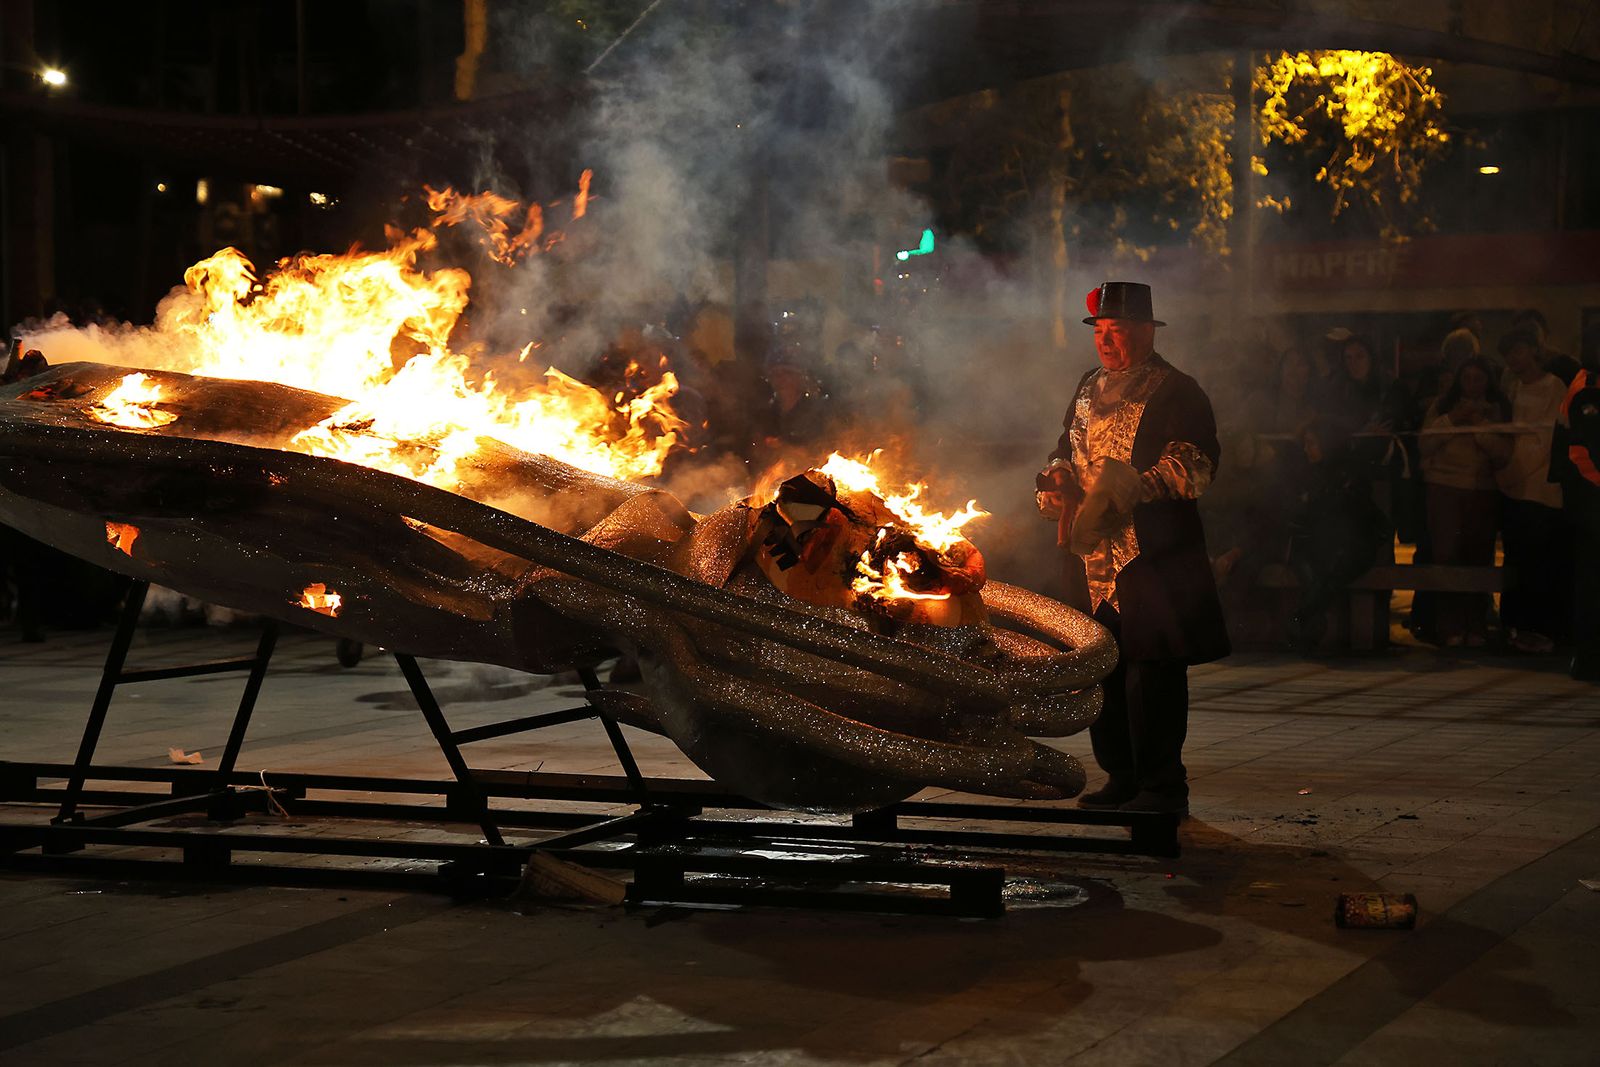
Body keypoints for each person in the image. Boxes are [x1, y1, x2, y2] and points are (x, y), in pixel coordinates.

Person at [1035, 281, 1229, 815]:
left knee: (1153, 668)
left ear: (1146, 332)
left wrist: (1133, 488)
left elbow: (1196, 463)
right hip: (1091, 553)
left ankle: (1163, 787)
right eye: (1100, 331)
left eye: (1117, 331)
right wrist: (1057, 477)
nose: (1106, 342)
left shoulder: (1177, 390)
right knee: (1104, 664)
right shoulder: (1087, 385)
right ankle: (1120, 775)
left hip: (1152, 554)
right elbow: (1066, 447)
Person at [1417, 357, 1512, 647]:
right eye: (1466, 377)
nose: (1471, 385)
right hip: (1444, 487)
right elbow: (1425, 443)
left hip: (1481, 490)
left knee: (1477, 556)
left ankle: (1476, 625)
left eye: (1478, 378)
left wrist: (1479, 426)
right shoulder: (1442, 407)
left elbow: (1502, 452)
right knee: (1447, 556)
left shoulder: (1498, 410)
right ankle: (1450, 626)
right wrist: (1452, 420)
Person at [1496, 328, 1570, 653]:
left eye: (1519, 350)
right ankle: (1518, 629)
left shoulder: (1554, 386)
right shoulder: (1510, 387)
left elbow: (1544, 441)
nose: (1514, 359)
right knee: (1517, 561)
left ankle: (1543, 632)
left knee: (1540, 563)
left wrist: (1509, 475)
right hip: (1515, 491)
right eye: (1509, 353)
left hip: (1540, 492)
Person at [1551, 369, 1600, 681]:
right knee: (1592, 583)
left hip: (1588, 500)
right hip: (1591, 503)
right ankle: (1589, 658)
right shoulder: (1588, 390)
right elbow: (1585, 452)